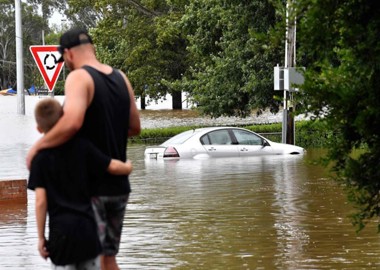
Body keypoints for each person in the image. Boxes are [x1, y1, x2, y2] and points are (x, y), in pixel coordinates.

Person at [26, 28, 141, 270]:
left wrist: (37, 147)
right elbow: (134, 126)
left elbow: (73, 121)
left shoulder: (79, 77)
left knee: (93, 261)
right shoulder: (121, 77)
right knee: (108, 259)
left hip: (92, 188)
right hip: (119, 187)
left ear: (68, 54)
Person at [28, 98, 133, 269]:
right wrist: (127, 167)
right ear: (63, 120)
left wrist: (41, 238)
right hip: (88, 231)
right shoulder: (82, 147)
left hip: (61, 235)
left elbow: (40, 201)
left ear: (39, 129)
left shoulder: (40, 160)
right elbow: (112, 166)